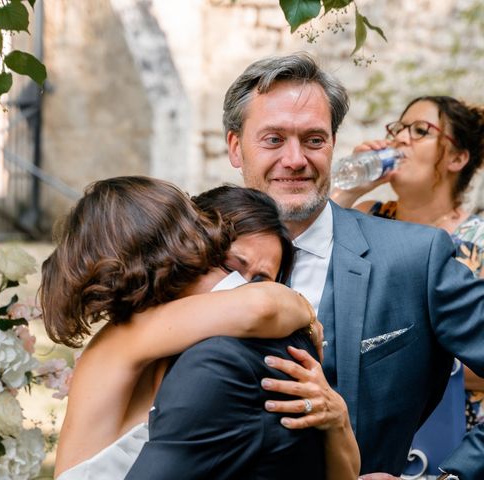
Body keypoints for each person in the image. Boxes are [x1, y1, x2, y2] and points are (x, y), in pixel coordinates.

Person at [222, 53, 484, 479]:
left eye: (313, 140)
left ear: (333, 144)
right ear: (236, 147)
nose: (295, 159)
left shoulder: (416, 257)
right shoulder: (195, 255)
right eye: (273, 140)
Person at [40, 176, 359, 479]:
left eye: (262, 280)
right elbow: (259, 307)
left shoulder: (176, 339)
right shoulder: (128, 336)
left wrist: (338, 418)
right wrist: (302, 307)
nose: (240, 284)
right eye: (232, 266)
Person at [331, 95, 484, 433]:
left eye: (419, 131)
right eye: (398, 128)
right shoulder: (365, 215)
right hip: (362, 426)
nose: (400, 138)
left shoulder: (479, 239)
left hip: (454, 431)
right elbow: (309, 262)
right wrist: (349, 190)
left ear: (458, 157)